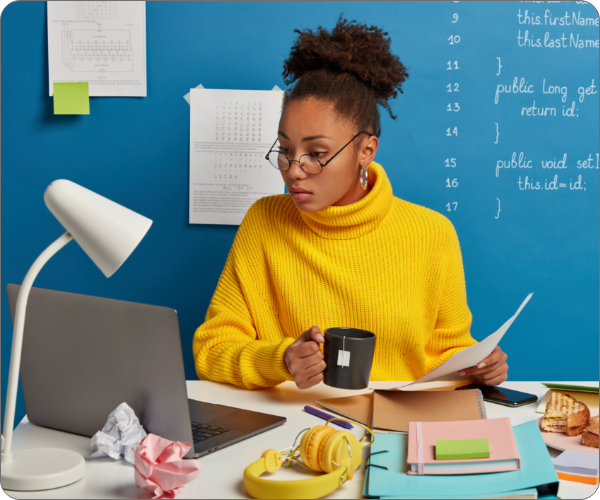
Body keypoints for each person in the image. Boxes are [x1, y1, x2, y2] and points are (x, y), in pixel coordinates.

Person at [193, 16, 508, 390]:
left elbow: (449, 354)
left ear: (366, 150)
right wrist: (280, 359)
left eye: (317, 152)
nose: (294, 170)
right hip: (296, 425)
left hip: (400, 429)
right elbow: (211, 352)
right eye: (286, 150)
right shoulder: (264, 221)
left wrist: (481, 365)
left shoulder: (432, 233)